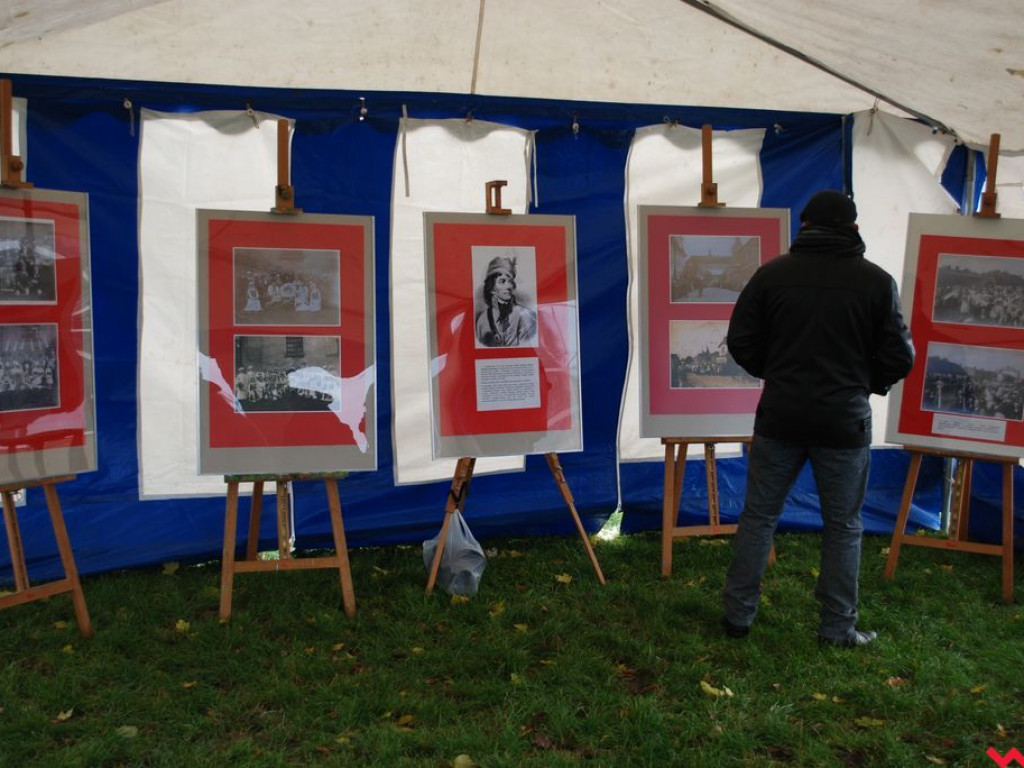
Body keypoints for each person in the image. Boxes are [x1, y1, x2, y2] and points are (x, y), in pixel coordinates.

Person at [721, 190, 915, 648]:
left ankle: (737, 618)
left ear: (805, 226)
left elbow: (740, 341)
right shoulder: (875, 282)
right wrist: (864, 382)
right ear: (854, 229)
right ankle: (836, 628)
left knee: (759, 517)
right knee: (843, 526)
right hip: (844, 421)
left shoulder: (771, 275)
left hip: (781, 414)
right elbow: (899, 357)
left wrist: (776, 372)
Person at [475, 254, 538, 347]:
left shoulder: (527, 316)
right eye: (502, 281)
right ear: (492, 288)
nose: (509, 286)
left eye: (510, 281)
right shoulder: (482, 320)